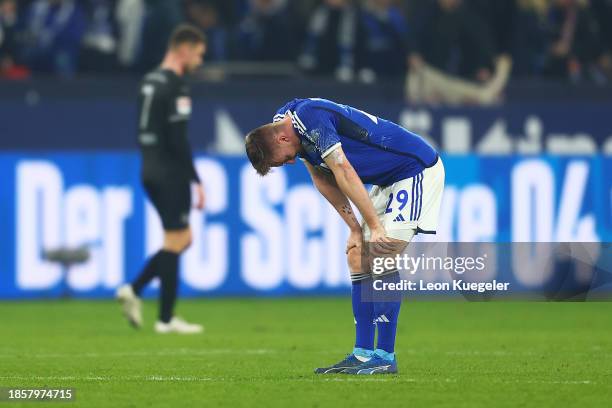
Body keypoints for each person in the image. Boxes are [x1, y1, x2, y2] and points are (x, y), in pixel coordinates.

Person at [244, 98, 445, 374]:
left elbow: (343, 170)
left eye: (285, 159)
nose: (290, 162)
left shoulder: (309, 118)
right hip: (388, 180)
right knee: (356, 255)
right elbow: (323, 179)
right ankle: (363, 354)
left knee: (381, 251)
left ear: (281, 137)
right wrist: (353, 228)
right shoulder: (287, 124)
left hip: (415, 170)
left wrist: (374, 226)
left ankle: (385, 356)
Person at [116, 24, 206, 334]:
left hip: (148, 168)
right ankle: (161, 315)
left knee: (181, 238)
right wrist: (196, 180)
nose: (200, 61)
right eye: (198, 54)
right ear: (184, 50)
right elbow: (178, 140)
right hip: (170, 170)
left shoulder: (148, 81)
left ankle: (141, 295)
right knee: (176, 240)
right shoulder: (176, 85)